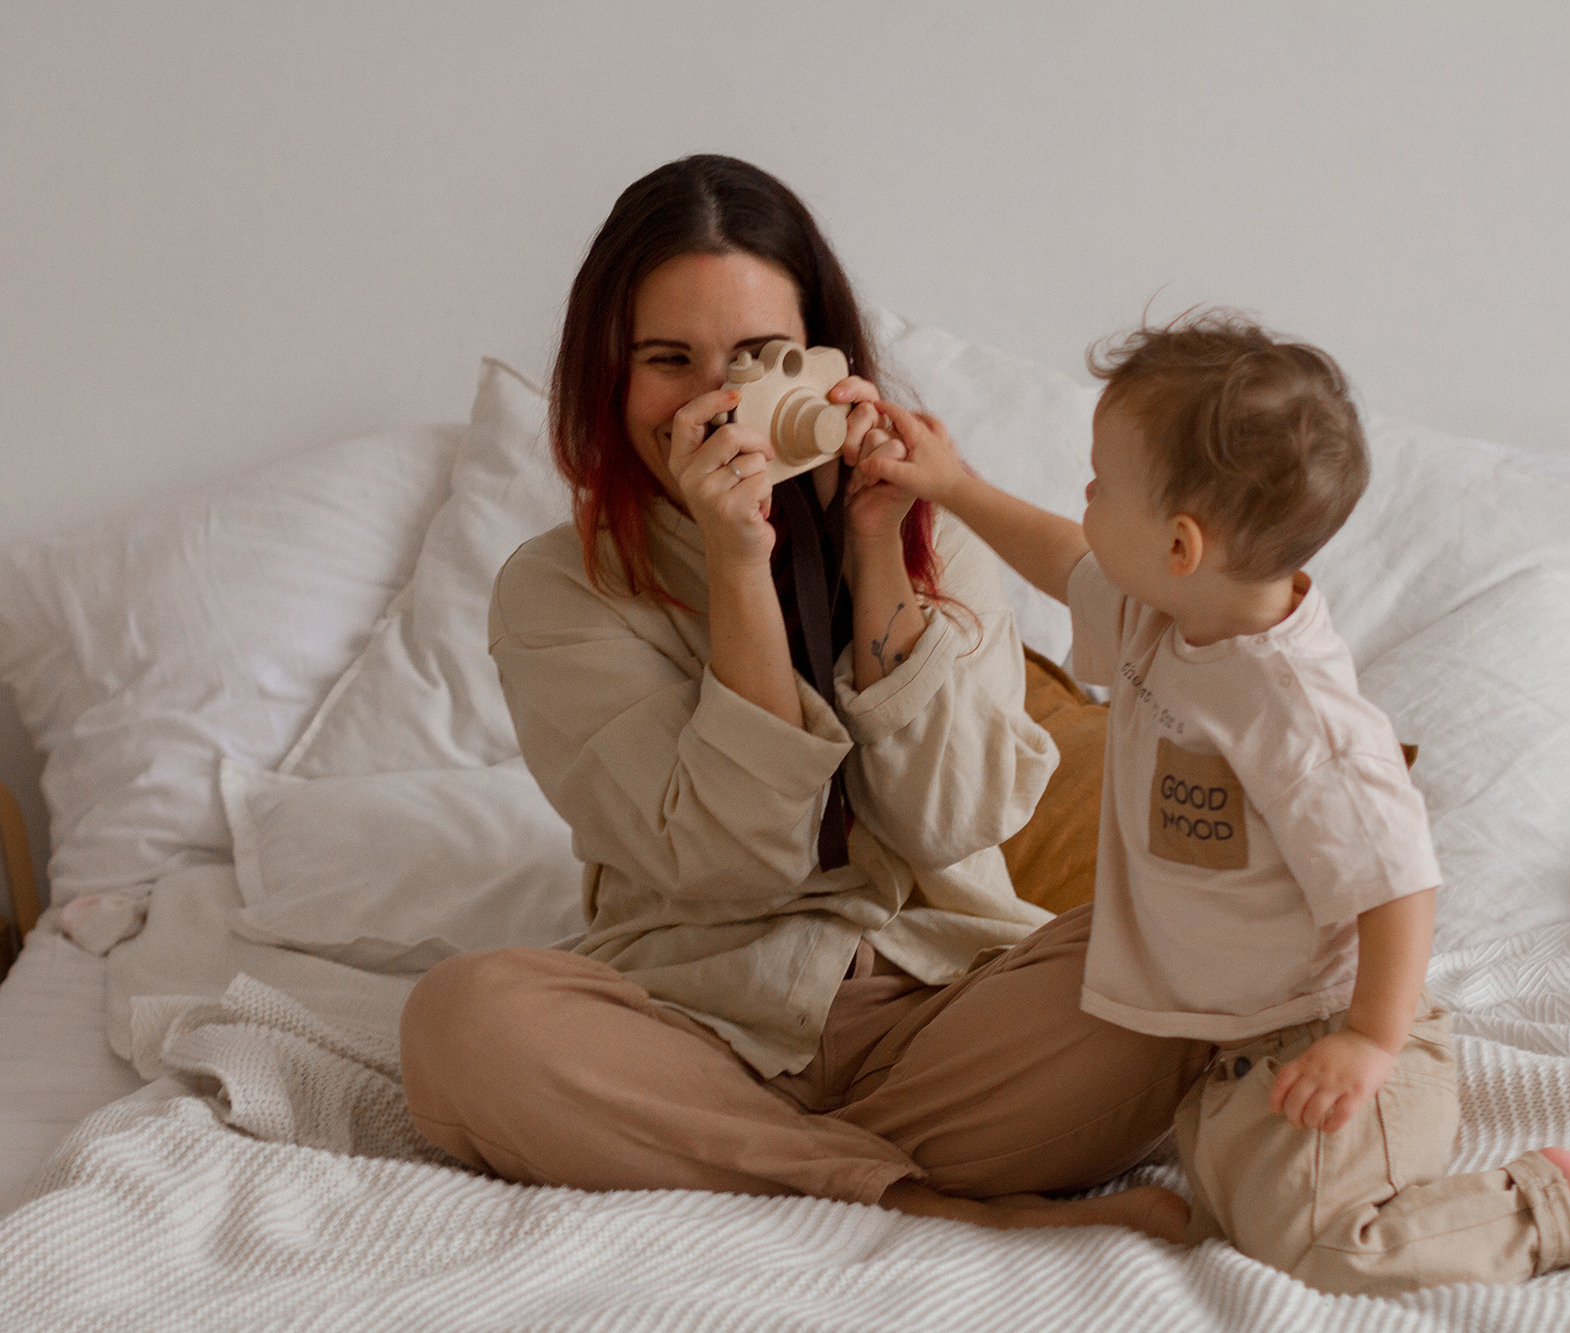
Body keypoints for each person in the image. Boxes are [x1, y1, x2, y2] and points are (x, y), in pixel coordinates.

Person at [397, 155, 1209, 1240]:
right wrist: (739, 566)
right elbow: (738, 864)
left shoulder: (937, 541)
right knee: (463, 1024)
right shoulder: (560, 587)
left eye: (755, 358)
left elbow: (950, 818)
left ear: (825, 361)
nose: (717, 402)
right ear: (607, 375)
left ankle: (756, 1161)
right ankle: (921, 1197)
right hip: (694, 1029)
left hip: (949, 1013)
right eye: (667, 360)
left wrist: (878, 554)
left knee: (1190, 944)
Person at [866, 311, 1570, 1294]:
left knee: (1324, 1247)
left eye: (1100, 485)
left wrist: (1367, 1041)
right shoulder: (1162, 616)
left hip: (1327, 1033)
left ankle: (1545, 1204)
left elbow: (1401, 880)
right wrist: (953, 485)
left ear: (1180, 543)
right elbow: (1065, 560)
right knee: (1229, 1200)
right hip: (1227, 1041)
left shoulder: (1296, 713)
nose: (1083, 499)